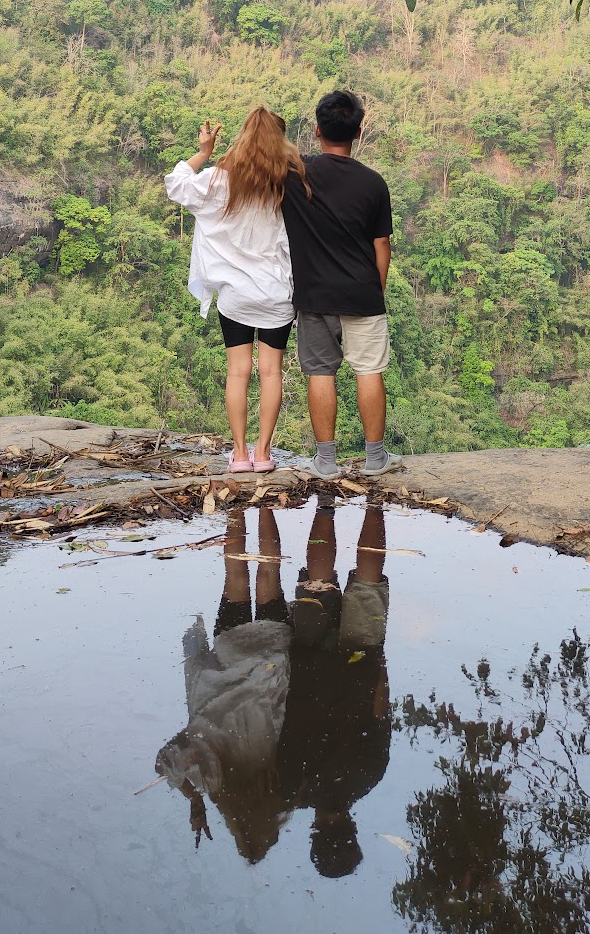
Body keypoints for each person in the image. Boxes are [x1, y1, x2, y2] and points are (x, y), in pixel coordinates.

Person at [165, 108, 307, 471]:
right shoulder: (289, 183)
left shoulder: (221, 180)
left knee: (238, 372)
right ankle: (264, 453)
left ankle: (241, 454)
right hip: (276, 292)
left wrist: (204, 153)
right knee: (271, 372)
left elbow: (177, 185)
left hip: (236, 296)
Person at [154, 506, 292, 862]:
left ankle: (264, 499)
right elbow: (166, 763)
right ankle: (236, 503)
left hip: (268, 663)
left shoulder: (278, 781)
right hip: (228, 658)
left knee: (269, 571)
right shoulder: (212, 781)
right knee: (235, 573)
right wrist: (194, 800)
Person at [281, 90, 400, 479]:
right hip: (362, 291)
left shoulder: (295, 174)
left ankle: (326, 462)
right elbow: (381, 244)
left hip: (314, 294)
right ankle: (375, 458)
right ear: (358, 132)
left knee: (321, 372)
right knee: (369, 370)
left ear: (317, 130)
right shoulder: (373, 183)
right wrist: (376, 288)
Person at [276, 496, 392, 878]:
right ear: (315, 835)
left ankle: (375, 502)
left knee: (368, 584)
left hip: (361, 664)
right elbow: (279, 714)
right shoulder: (293, 785)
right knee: (319, 584)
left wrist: (379, 663)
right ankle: (325, 501)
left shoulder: (369, 776)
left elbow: (379, 711)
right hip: (307, 662)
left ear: (352, 831)